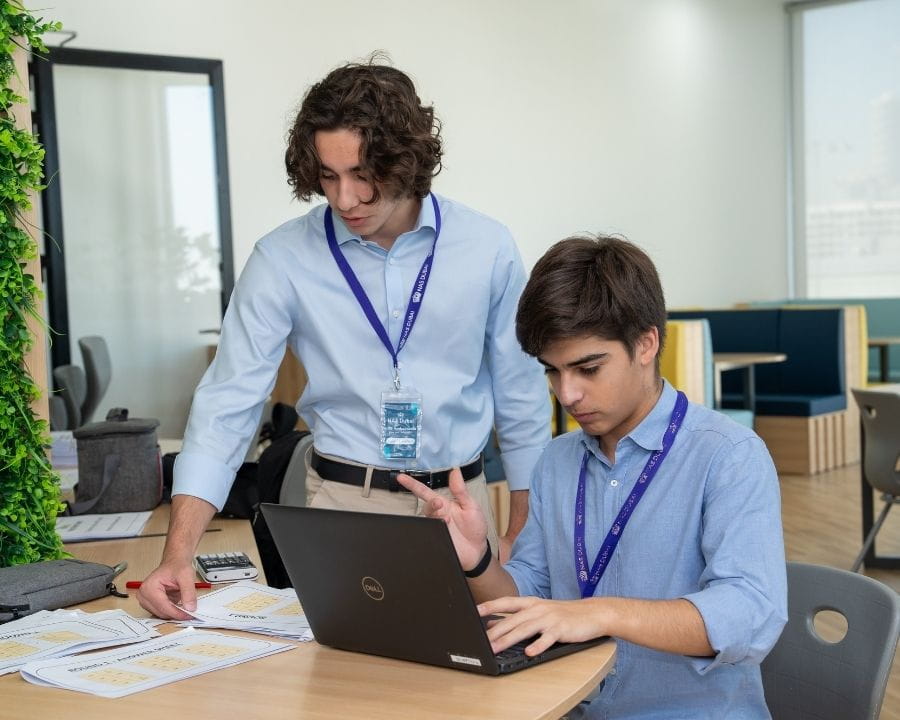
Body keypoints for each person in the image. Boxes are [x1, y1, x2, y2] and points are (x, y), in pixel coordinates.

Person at [138, 59, 550, 620]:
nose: (344, 198)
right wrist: (178, 552)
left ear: (405, 160)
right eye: (328, 177)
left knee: (471, 691)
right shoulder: (282, 258)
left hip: (460, 506)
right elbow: (228, 401)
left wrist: (526, 511)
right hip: (344, 503)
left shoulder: (487, 246)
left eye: (361, 174)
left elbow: (521, 390)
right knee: (350, 689)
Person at [398, 235, 787, 718]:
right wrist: (477, 561)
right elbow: (528, 598)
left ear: (646, 343)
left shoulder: (728, 456)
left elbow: (750, 615)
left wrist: (601, 612)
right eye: (553, 372)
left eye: (588, 368)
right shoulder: (557, 462)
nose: (567, 394)